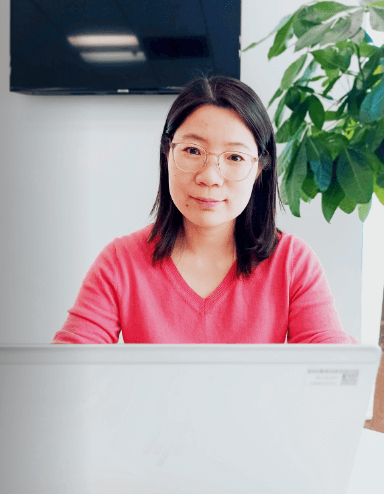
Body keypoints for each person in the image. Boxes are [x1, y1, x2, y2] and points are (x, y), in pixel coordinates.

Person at [52, 75, 356, 344]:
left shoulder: (292, 262)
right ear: (167, 153)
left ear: (260, 168)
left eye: (235, 157)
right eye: (193, 151)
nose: (209, 177)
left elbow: (329, 363)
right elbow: (67, 371)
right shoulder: (120, 262)